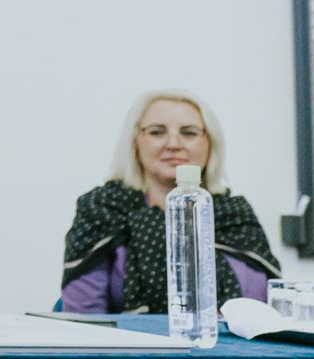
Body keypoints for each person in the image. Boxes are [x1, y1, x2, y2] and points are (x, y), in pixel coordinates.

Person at [61, 89, 281, 313]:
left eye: (189, 133)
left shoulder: (235, 215)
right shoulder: (103, 208)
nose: (174, 144)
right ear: (135, 141)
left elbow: (261, 309)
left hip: (225, 336)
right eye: (157, 132)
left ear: (210, 143)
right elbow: (85, 316)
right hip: (126, 337)